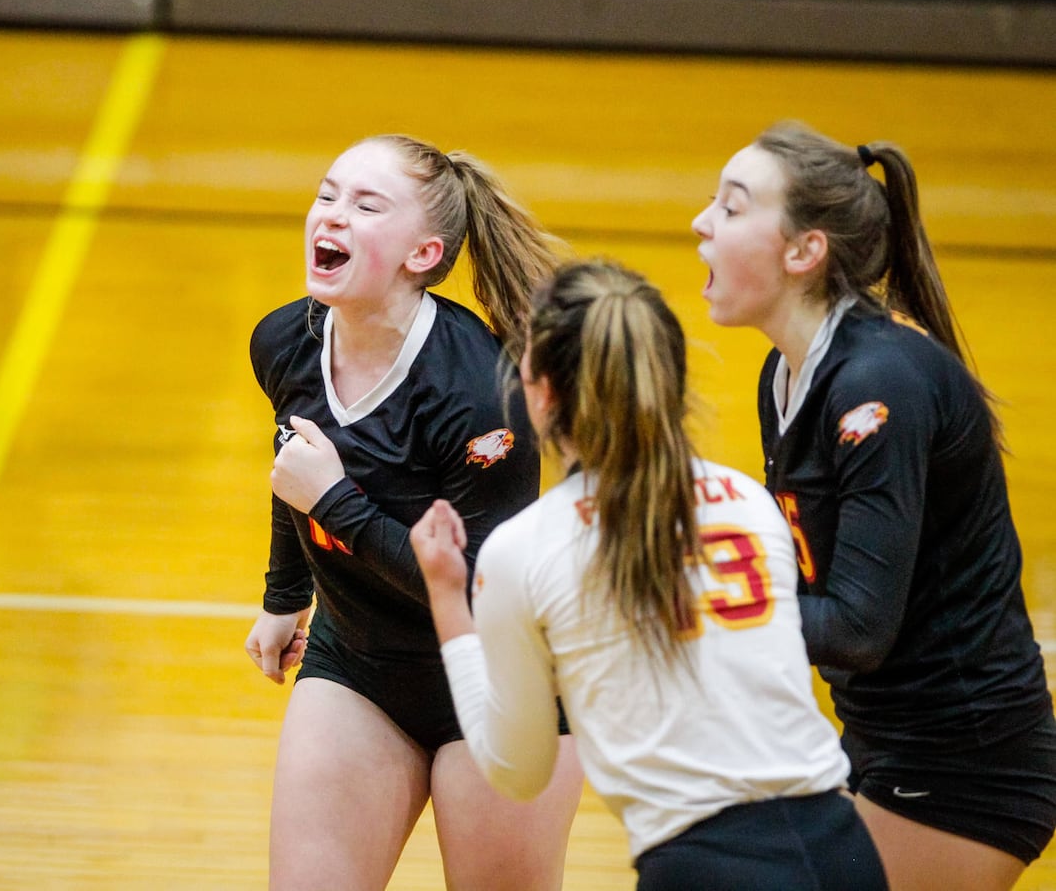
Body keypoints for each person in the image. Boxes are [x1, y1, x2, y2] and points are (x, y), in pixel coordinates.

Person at [411, 258, 887, 891]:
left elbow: (517, 771)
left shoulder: (526, 547)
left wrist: (447, 594)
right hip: (843, 848)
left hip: (706, 867)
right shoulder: (746, 501)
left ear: (541, 392)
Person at [691, 122, 1056, 890]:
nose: (701, 223)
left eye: (731, 207)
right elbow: (806, 578)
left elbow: (857, 627)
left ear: (804, 251)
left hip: (961, 771)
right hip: (883, 746)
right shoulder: (786, 374)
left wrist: (691, 605)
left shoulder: (877, 383)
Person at [245, 134, 583, 890]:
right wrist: (284, 594)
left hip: (501, 684)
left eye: (366, 205)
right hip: (357, 664)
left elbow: (474, 590)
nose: (331, 215)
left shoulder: (479, 392)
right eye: (327, 193)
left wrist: (337, 504)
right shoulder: (284, 340)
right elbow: (293, 463)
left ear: (423, 254)